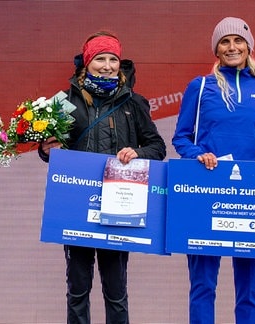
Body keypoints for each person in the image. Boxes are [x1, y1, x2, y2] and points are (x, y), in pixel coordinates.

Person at [39, 31, 166, 324]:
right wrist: (46, 149)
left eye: (113, 59)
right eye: (100, 58)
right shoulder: (66, 101)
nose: (107, 65)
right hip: (77, 208)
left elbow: (157, 147)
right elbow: (54, 149)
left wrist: (137, 152)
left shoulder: (134, 103)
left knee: (116, 291)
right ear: (87, 63)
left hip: (118, 207)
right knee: (77, 289)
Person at [172, 17, 255, 324]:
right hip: (206, 193)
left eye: (237, 41)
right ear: (216, 50)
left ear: (248, 46)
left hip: (248, 197)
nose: (231, 47)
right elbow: (181, 137)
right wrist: (199, 154)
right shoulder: (201, 86)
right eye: (224, 41)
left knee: (250, 288)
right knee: (203, 285)